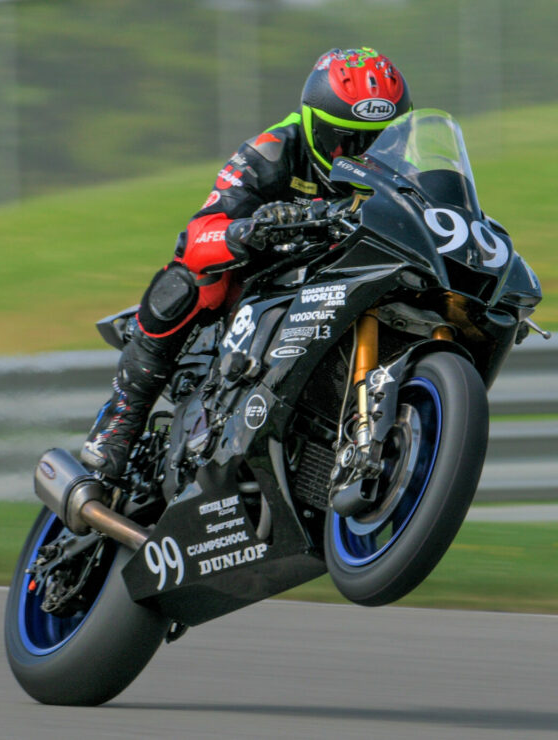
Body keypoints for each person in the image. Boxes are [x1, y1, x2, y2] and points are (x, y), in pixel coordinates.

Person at [81, 47, 412, 478]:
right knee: (193, 280)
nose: (361, 153)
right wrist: (249, 229)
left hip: (344, 282)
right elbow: (197, 238)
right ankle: (120, 420)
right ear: (313, 125)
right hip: (261, 283)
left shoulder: (405, 168)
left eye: (380, 140)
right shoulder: (272, 151)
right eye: (346, 139)